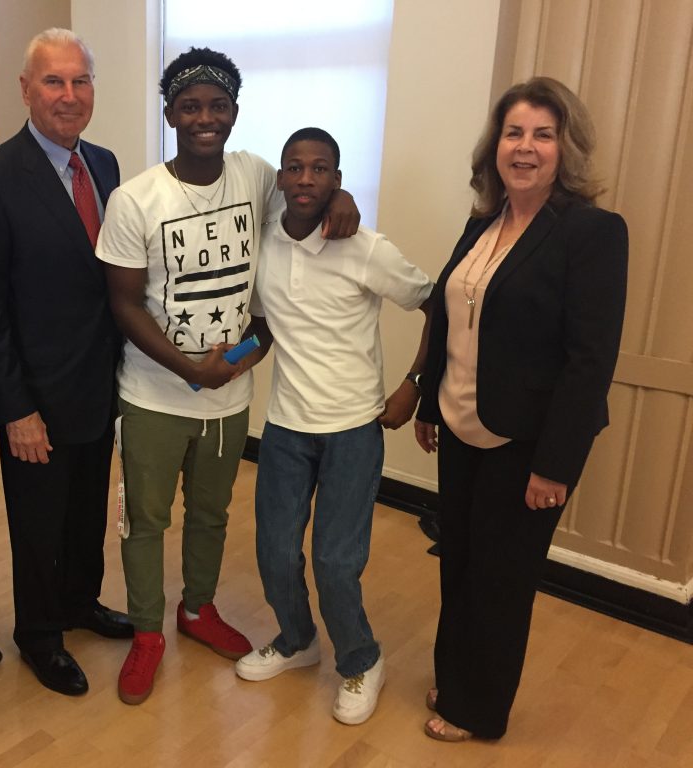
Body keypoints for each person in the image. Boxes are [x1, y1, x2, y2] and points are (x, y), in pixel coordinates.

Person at [97, 49, 359, 706]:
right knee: (146, 520)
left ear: (234, 114)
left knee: (211, 513)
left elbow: (308, 196)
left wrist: (343, 195)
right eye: (191, 107)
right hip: (153, 394)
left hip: (229, 395)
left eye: (217, 106)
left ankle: (198, 611)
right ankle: (149, 631)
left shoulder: (256, 177)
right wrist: (192, 370)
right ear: (171, 115)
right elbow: (124, 302)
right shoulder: (136, 199)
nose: (205, 118)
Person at [413, 77, 628, 741]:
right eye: (514, 133)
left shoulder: (593, 233)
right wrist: (428, 403)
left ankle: (478, 710)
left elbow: (590, 361)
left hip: (529, 443)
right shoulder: (484, 222)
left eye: (542, 134)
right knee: (461, 561)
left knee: (502, 580)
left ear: (566, 148)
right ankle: (457, 677)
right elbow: (450, 318)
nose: (525, 147)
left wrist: (556, 465)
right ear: (495, 147)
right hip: (460, 423)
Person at [0, 28, 132, 699]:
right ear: (25, 89)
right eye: (53, 82)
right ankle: (39, 633)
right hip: (35, 396)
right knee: (37, 524)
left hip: (99, 383)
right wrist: (14, 408)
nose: (68, 95)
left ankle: (79, 603)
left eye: (79, 81)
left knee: (88, 510)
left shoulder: (107, 166)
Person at [237, 128, 433, 725]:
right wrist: (223, 361)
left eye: (319, 169)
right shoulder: (264, 243)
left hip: (352, 429)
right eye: (294, 168)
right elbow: (268, 326)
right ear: (281, 179)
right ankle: (297, 640)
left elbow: (437, 306)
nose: (304, 179)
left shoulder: (366, 247)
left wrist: (414, 386)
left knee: (334, 561)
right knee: (273, 551)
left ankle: (361, 659)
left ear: (337, 181)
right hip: (286, 427)